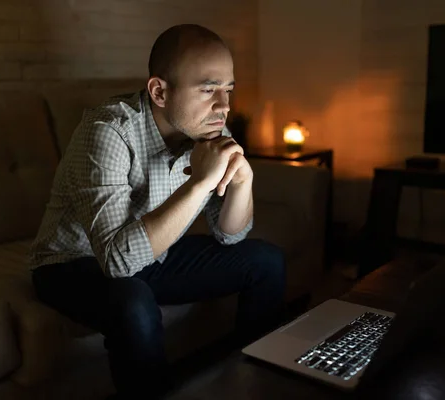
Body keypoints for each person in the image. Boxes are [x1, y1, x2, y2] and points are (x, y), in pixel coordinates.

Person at [28, 24, 286, 399]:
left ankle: (247, 385)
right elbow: (117, 262)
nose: (224, 105)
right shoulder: (108, 130)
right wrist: (200, 183)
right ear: (159, 91)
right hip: (72, 264)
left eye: (228, 89)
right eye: (208, 89)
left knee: (266, 261)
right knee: (132, 300)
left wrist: (243, 183)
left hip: (151, 254)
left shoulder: (207, 126)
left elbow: (229, 234)